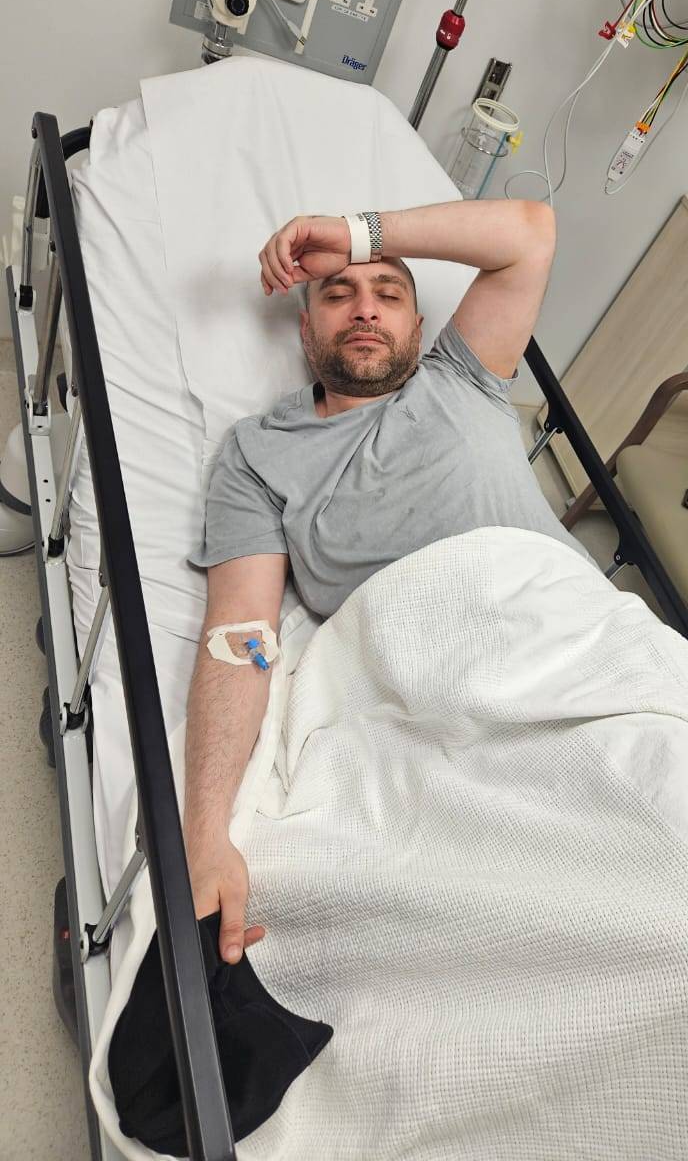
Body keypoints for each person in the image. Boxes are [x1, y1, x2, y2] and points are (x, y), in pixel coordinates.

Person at [184, 198, 591, 965]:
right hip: (422, 697)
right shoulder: (256, 454)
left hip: (569, 643)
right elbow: (241, 636)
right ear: (305, 330)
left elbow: (530, 233)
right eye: (338, 294)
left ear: (417, 326)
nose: (365, 308)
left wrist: (352, 238)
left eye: (388, 294)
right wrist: (204, 838)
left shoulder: (463, 377)